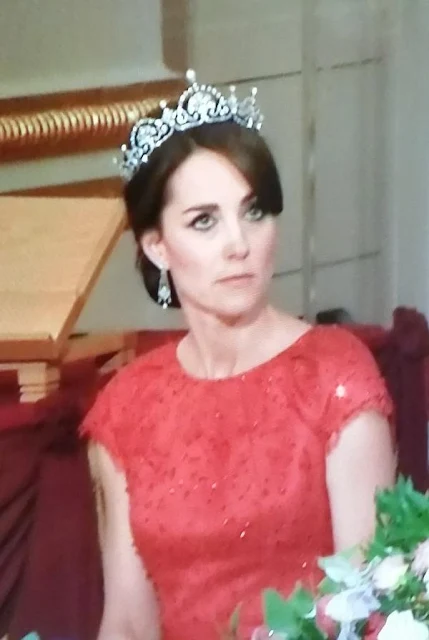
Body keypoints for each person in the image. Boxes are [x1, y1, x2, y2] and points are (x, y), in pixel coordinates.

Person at [81, 70, 396, 640]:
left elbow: (370, 610)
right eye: (205, 220)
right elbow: (128, 621)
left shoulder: (337, 377)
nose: (239, 243)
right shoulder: (126, 407)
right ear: (157, 246)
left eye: (254, 211)